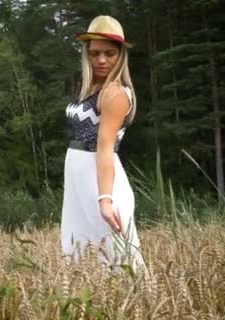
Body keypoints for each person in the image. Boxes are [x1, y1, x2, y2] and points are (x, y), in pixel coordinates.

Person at [61, 15, 145, 270]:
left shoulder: (115, 93)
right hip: (79, 176)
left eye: (109, 53)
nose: (101, 60)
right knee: (79, 250)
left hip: (100, 180)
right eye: (95, 53)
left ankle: (137, 306)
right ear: (86, 54)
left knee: (117, 256)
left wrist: (106, 199)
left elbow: (105, 148)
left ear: (121, 55)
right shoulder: (91, 89)